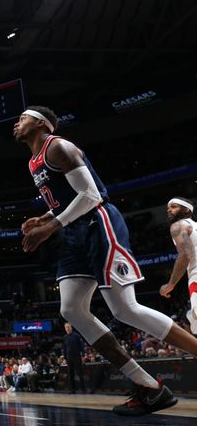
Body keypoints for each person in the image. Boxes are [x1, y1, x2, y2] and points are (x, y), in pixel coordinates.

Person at [15, 106, 197, 416]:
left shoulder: (58, 146)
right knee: (71, 308)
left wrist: (51, 226)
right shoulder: (33, 161)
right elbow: (69, 196)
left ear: (40, 123)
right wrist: (45, 216)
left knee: (124, 308)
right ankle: (149, 387)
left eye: (23, 117)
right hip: (74, 231)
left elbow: (91, 195)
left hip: (98, 223)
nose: (17, 123)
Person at [158, 197, 196, 334]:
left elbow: (185, 255)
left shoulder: (178, 225)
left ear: (186, 209)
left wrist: (170, 285)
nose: (169, 210)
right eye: (168, 208)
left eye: (173, 206)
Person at [62, 323, 87, 393]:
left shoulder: (76, 335)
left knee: (80, 373)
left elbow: (81, 346)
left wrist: (83, 355)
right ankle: (72, 390)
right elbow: (64, 348)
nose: (67, 328)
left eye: (68, 327)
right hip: (69, 357)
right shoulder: (64, 337)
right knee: (71, 374)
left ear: (71, 327)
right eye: (66, 327)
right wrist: (65, 358)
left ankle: (83, 389)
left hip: (77, 357)